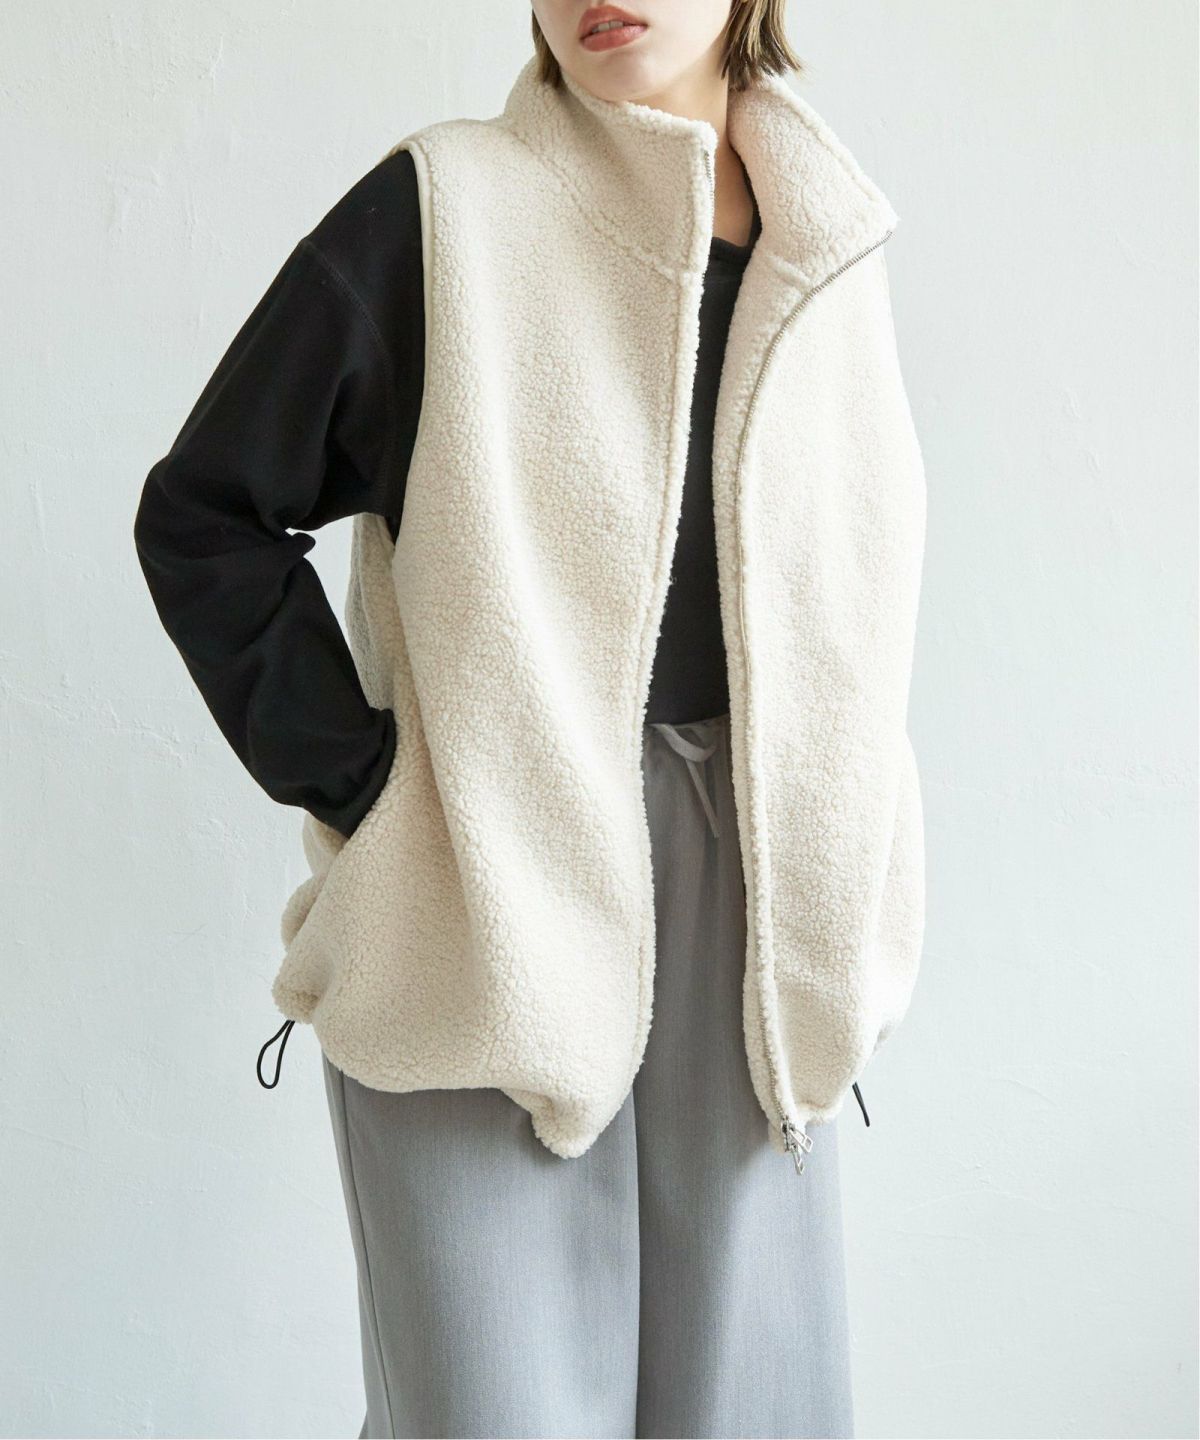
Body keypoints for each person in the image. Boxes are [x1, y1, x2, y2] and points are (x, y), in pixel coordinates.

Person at [133, 2, 928, 1435]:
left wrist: (854, 887)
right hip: (488, 900)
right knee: (493, 1408)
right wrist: (382, 801)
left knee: (753, 1407)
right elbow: (207, 516)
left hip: (762, 919)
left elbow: (855, 600)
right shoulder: (443, 210)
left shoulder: (830, 241)